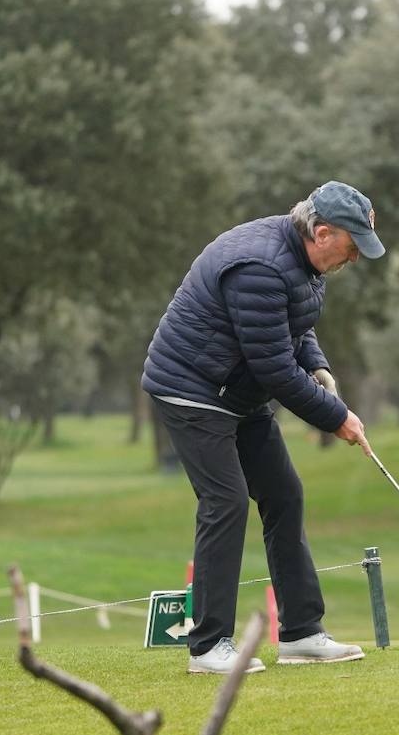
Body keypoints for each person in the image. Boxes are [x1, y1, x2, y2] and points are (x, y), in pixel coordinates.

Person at [142, 181, 383, 674]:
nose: (354, 259)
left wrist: (318, 369)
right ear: (321, 233)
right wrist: (334, 417)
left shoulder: (302, 260)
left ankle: (300, 634)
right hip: (191, 389)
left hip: (238, 391)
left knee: (284, 494)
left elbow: (295, 325)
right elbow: (274, 367)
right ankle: (208, 647)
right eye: (351, 247)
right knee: (225, 501)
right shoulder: (260, 265)